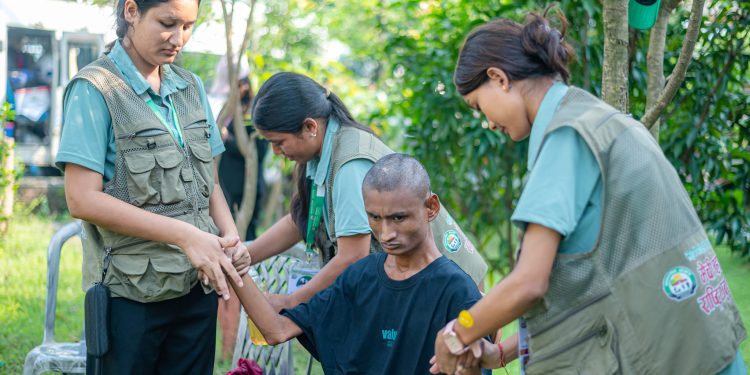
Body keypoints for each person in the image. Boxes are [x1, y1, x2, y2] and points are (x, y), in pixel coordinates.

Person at [432, 7, 747, 375]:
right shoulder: (603, 120)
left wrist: (458, 331)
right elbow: (598, 281)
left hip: (669, 355)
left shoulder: (568, 137)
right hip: (698, 344)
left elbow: (530, 282)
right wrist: (500, 353)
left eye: (477, 106)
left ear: (499, 78)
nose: (487, 122)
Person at [55, 0, 250, 373]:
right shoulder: (95, 89)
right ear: (131, 11)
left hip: (198, 287)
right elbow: (81, 199)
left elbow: (209, 181)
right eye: (167, 23)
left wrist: (229, 237)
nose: (179, 39)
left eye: (188, 26)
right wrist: (186, 236)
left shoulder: (189, 86)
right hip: (131, 295)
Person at [247, 72, 488, 313]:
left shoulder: (350, 165)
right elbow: (299, 220)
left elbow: (352, 257)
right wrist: (246, 256)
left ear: (310, 127)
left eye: (278, 142)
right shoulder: (322, 151)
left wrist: (291, 301)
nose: (276, 151)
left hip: (452, 292)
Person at [231, 153, 494, 374]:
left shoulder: (456, 290)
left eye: (399, 218)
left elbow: (477, 362)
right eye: (374, 217)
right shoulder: (360, 276)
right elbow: (275, 331)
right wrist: (233, 267)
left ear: (431, 207)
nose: (386, 233)